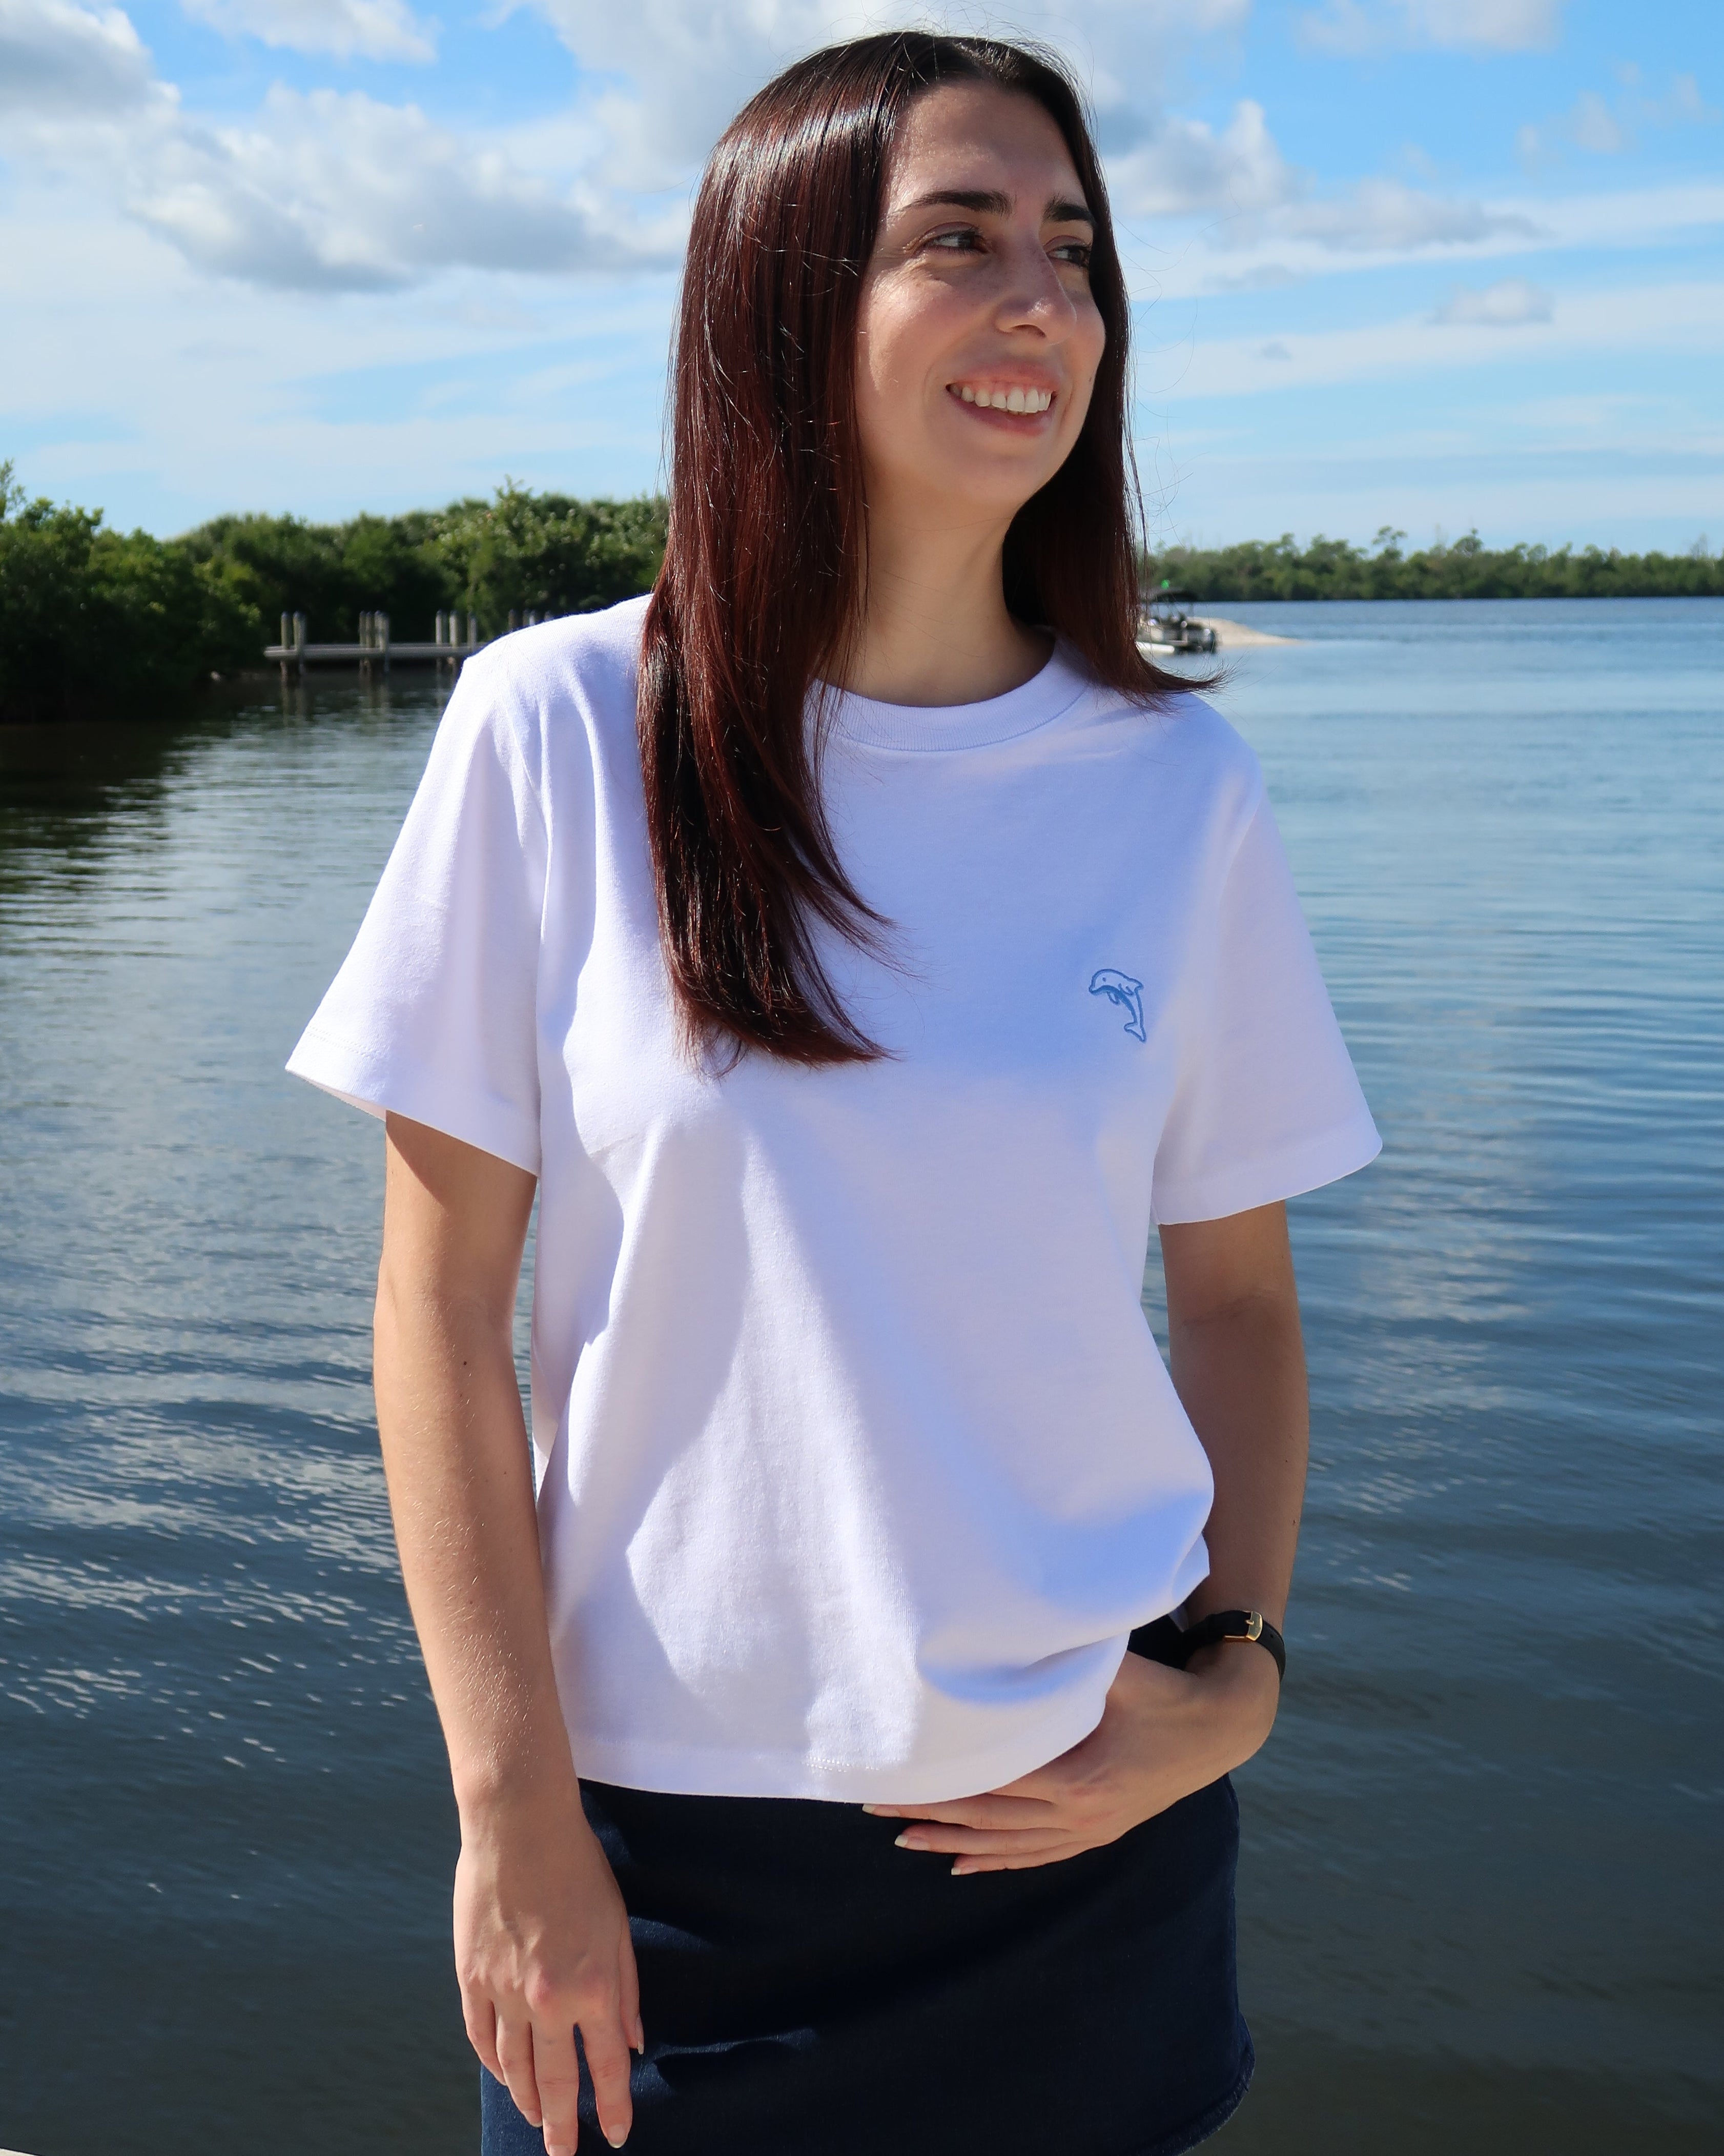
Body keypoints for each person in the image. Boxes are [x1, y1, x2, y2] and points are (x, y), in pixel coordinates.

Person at [289, 30, 1379, 2156]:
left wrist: (1234, 1672)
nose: (1042, 302)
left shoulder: (1179, 786)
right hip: (654, 1871)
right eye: (957, 240)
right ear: (783, 302)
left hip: (1087, 1836)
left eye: (1074, 250)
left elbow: (1238, 1301)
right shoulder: (556, 727)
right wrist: (511, 1817)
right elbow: (435, 1311)